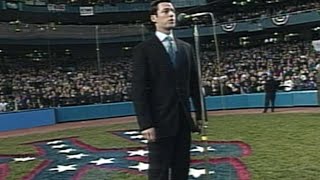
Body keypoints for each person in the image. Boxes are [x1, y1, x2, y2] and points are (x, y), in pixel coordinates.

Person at [131, 0, 202, 179]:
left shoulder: (186, 48)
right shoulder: (144, 49)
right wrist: (146, 123)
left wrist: (200, 115)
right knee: (159, 171)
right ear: (154, 17)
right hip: (159, 122)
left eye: (173, 11)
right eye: (166, 11)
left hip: (183, 122)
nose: (171, 14)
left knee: (181, 168)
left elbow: (194, 85)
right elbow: (139, 89)